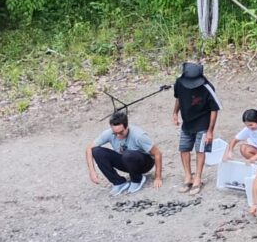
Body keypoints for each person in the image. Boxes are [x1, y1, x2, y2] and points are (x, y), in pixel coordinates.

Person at [85, 111, 164, 196]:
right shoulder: (109, 133)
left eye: (121, 132)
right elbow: (89, 148)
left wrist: (158, 177)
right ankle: (119, 182)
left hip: (144, 163)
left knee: (127, 154)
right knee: (97, 151)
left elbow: (157, 153)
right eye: (115, 133)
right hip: (126, 161)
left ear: (127, 127)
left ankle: (137, 179)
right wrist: (92, 172)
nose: (118, 136)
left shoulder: (139, 135)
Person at [172, 62, 222, 195]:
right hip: (187, 122)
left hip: (203, 123)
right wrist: (175, 113)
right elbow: (178, 99)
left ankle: (198, 178)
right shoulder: (179, 83)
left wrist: (210, 131)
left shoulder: (207, 87)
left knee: (200, 150)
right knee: (183, 149)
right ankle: (188, 176)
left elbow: (214, 109)